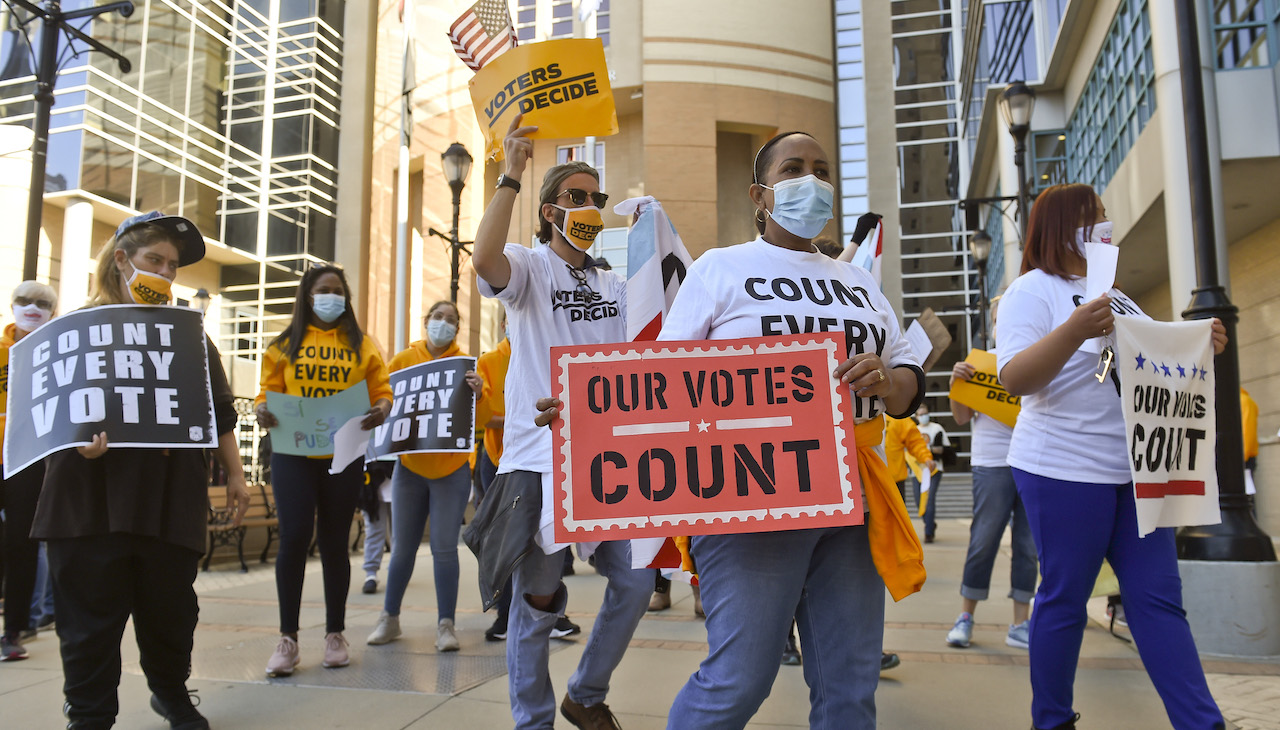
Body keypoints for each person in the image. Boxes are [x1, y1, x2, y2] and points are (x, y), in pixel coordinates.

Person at [650, 131, 926, 729]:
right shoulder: (720, 270)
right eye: (795, 169)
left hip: (850, 504)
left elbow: (907, 380)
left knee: (849, 689)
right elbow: (660, 382)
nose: (814, 180)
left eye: (822, 169)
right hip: (750, 503)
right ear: (761, 193)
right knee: (738, 682)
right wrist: (584, 412)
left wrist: (886, 380)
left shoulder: (860, 283)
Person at [996, 182, 1226, 730]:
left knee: (1158, 601)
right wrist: (1075, 328)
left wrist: (1195, 343)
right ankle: (1051, 720)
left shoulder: (1119, 294)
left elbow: (1147, 363)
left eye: (1102, 216)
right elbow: (1013, 378)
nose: (1104, 226)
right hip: (1062, 470)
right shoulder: (1032, 291)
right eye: (1092, 217)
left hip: (1137, 473)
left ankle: (1202, 723)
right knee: (1065, 600)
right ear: (1061, 226)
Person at [468, 113, 656, 730]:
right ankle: (533, 720)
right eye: (578, 197)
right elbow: (485, 257)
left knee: (635, 579)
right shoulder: (529, 269)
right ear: (551, 210)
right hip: (539, 461)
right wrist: (511, 174)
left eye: (597, 199)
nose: (591, 207)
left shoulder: (617, 282)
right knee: (539, 598)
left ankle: (586, 692)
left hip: (608, 459)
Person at [29, 212, 251, 729]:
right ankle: (88, 714)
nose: (166, 274)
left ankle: (171, 694)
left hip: (168, 499)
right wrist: (73, 442)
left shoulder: (190, 335)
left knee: (171, 615)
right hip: (87, 503)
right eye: (156, 260)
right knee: (88, 625)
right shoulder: (72, 330)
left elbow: (217, 412)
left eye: (173, 267)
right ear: (122, 259)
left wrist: (236, 474)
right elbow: (47, 414)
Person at [255, 264, 393, 677]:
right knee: (294, 537)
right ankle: (288, 639)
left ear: (346, 299)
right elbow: (266, 391)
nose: (331, 297)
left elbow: (382, 391)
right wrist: (262, 408)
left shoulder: (362, 345)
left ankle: (335, 634)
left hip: (343, 455)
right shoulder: (284, 344)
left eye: (338, 291)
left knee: (335, 541)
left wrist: (381, 410)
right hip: (293, 454)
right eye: (323, 290)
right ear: (307, 296)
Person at [367, 300, 485, 652]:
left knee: (444, 549)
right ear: (426, 322)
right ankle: (389, 618)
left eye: (451, 320)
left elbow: (477, 422)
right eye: (438, 317)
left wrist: (481, 394)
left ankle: (446, 625)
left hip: (451, 471)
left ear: (457, 329)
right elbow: (383, 399)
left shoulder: (465, 367)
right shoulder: (402, 362)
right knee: (402, 548)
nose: (443, 324)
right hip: (410, 470)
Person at [945, 303, 1038, 650]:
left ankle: (1021, 623)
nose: (1003, 325)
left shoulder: (1039, 360)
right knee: (983, 540)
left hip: (1031, 462)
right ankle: (965, 616)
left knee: (1027, 547)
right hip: (992, 463)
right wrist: (957, 384)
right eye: (998, 320)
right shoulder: (981, 364)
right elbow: (959, 418)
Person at [1, 280, 58, 661]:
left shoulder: (56, 355)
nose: (32, 308)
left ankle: (13, 632)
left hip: (29, 461)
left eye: (42, 303)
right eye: (25, 300)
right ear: (12, 305)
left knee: (22, 545)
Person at [911, 401, 949, 542]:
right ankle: (930, 523)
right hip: (917, 471)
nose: (924, 416)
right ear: (916, 416)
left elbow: (943, 448)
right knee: (918, 501)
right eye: (921, 414)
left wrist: (929, 452)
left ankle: (928, 534)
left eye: (926, 413)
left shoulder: (936, 428)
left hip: (934, 469)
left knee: (929, 499)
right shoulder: (913, 430)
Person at [358, 460, 393, 594]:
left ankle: (395, 572)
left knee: (398, 532)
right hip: (371, 480)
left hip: (397, 477)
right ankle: (371, 574)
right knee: (373, 530)